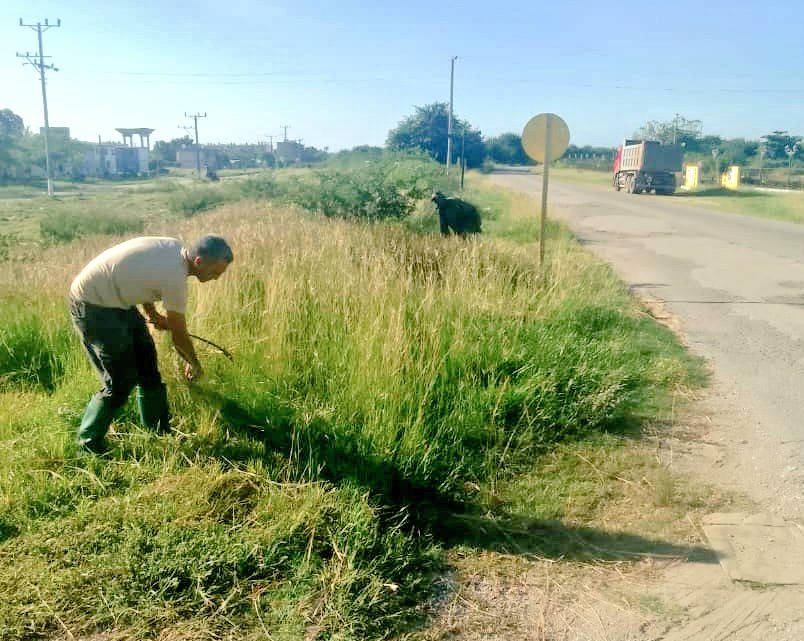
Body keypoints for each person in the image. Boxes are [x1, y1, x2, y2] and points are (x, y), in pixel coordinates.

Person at [68, 234, 233, 454]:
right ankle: (87, 445)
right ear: (199, 262)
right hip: (91, 303)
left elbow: (139, 276)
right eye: (214, 272)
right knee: (119, 382)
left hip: (117, 301)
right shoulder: (176, 279)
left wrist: (152, 312)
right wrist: (194, 364)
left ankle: (159, 433)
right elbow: (180, 336)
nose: (216, 278)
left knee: (147, 366)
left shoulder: (174, 247)